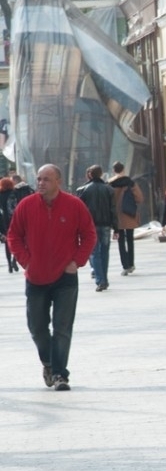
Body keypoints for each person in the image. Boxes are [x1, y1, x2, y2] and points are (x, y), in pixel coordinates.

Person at [7, 164, 96, 391]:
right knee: (36, 326)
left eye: (46, 179)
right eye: (39, 179)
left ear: (58, 181)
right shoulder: (26, 205)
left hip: (65, 277)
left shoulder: (74, 205)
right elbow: (14, 236)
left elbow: (89, 234)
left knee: (62, 327)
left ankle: (59, 374)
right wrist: (26, 261)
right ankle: (48, 361)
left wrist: (77, 261)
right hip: (35, 276)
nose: (41, 184)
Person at [76, 165, 118, 292]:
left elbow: (79, 211)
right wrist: (116, 228)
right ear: (101, 174)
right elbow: (113, 209)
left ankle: (101, 280)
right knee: (105, 252)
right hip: (105, 224)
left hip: (90, 226)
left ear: (90, 175)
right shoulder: (109, 189)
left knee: (95, 253)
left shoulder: (83, 190)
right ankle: (104, 278)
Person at [108, 161, 144, 276]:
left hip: (117, 216)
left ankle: (125, 265)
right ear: (123, 169)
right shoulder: (130, 182)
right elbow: (139, 198)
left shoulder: (110, 184)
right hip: (129, 215)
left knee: (120, 241)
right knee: (130, 239)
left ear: (113, 170)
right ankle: (131, 263)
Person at [0, 176, 20, 272]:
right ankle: (14, 260)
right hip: (13, 220)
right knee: (17, 241)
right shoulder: (13, 194)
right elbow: (14, 207)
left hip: (3, 222)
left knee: (7, 243)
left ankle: (9, 265)